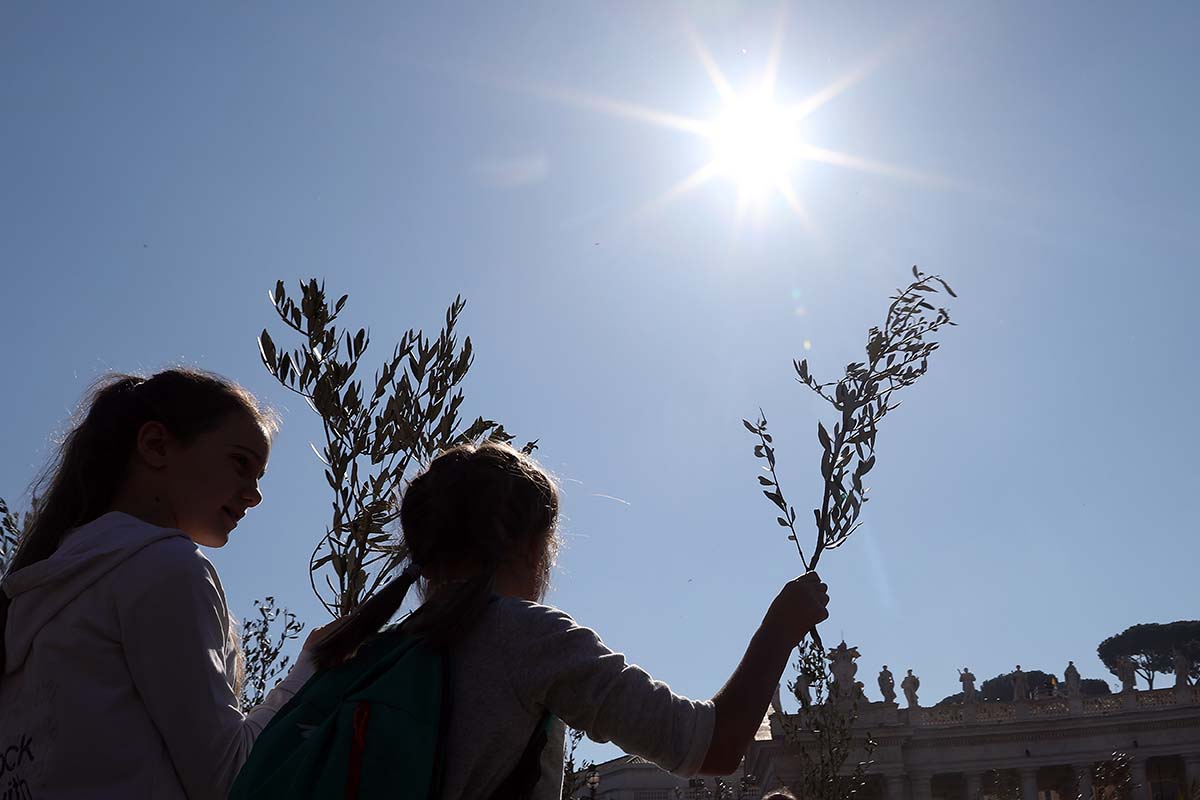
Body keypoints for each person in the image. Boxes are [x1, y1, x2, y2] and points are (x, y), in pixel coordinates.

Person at [307, 441, 831, 798]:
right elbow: (713, 744)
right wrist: (781, 627)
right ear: (529, 545)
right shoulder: (527, 636)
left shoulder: (370, 652)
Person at [0, 370, 337, 799]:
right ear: (156, 446)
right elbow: (230, 777)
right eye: (241, 463)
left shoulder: (41, 590)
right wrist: (312, 668)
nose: (254, 495)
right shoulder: (165, 567)